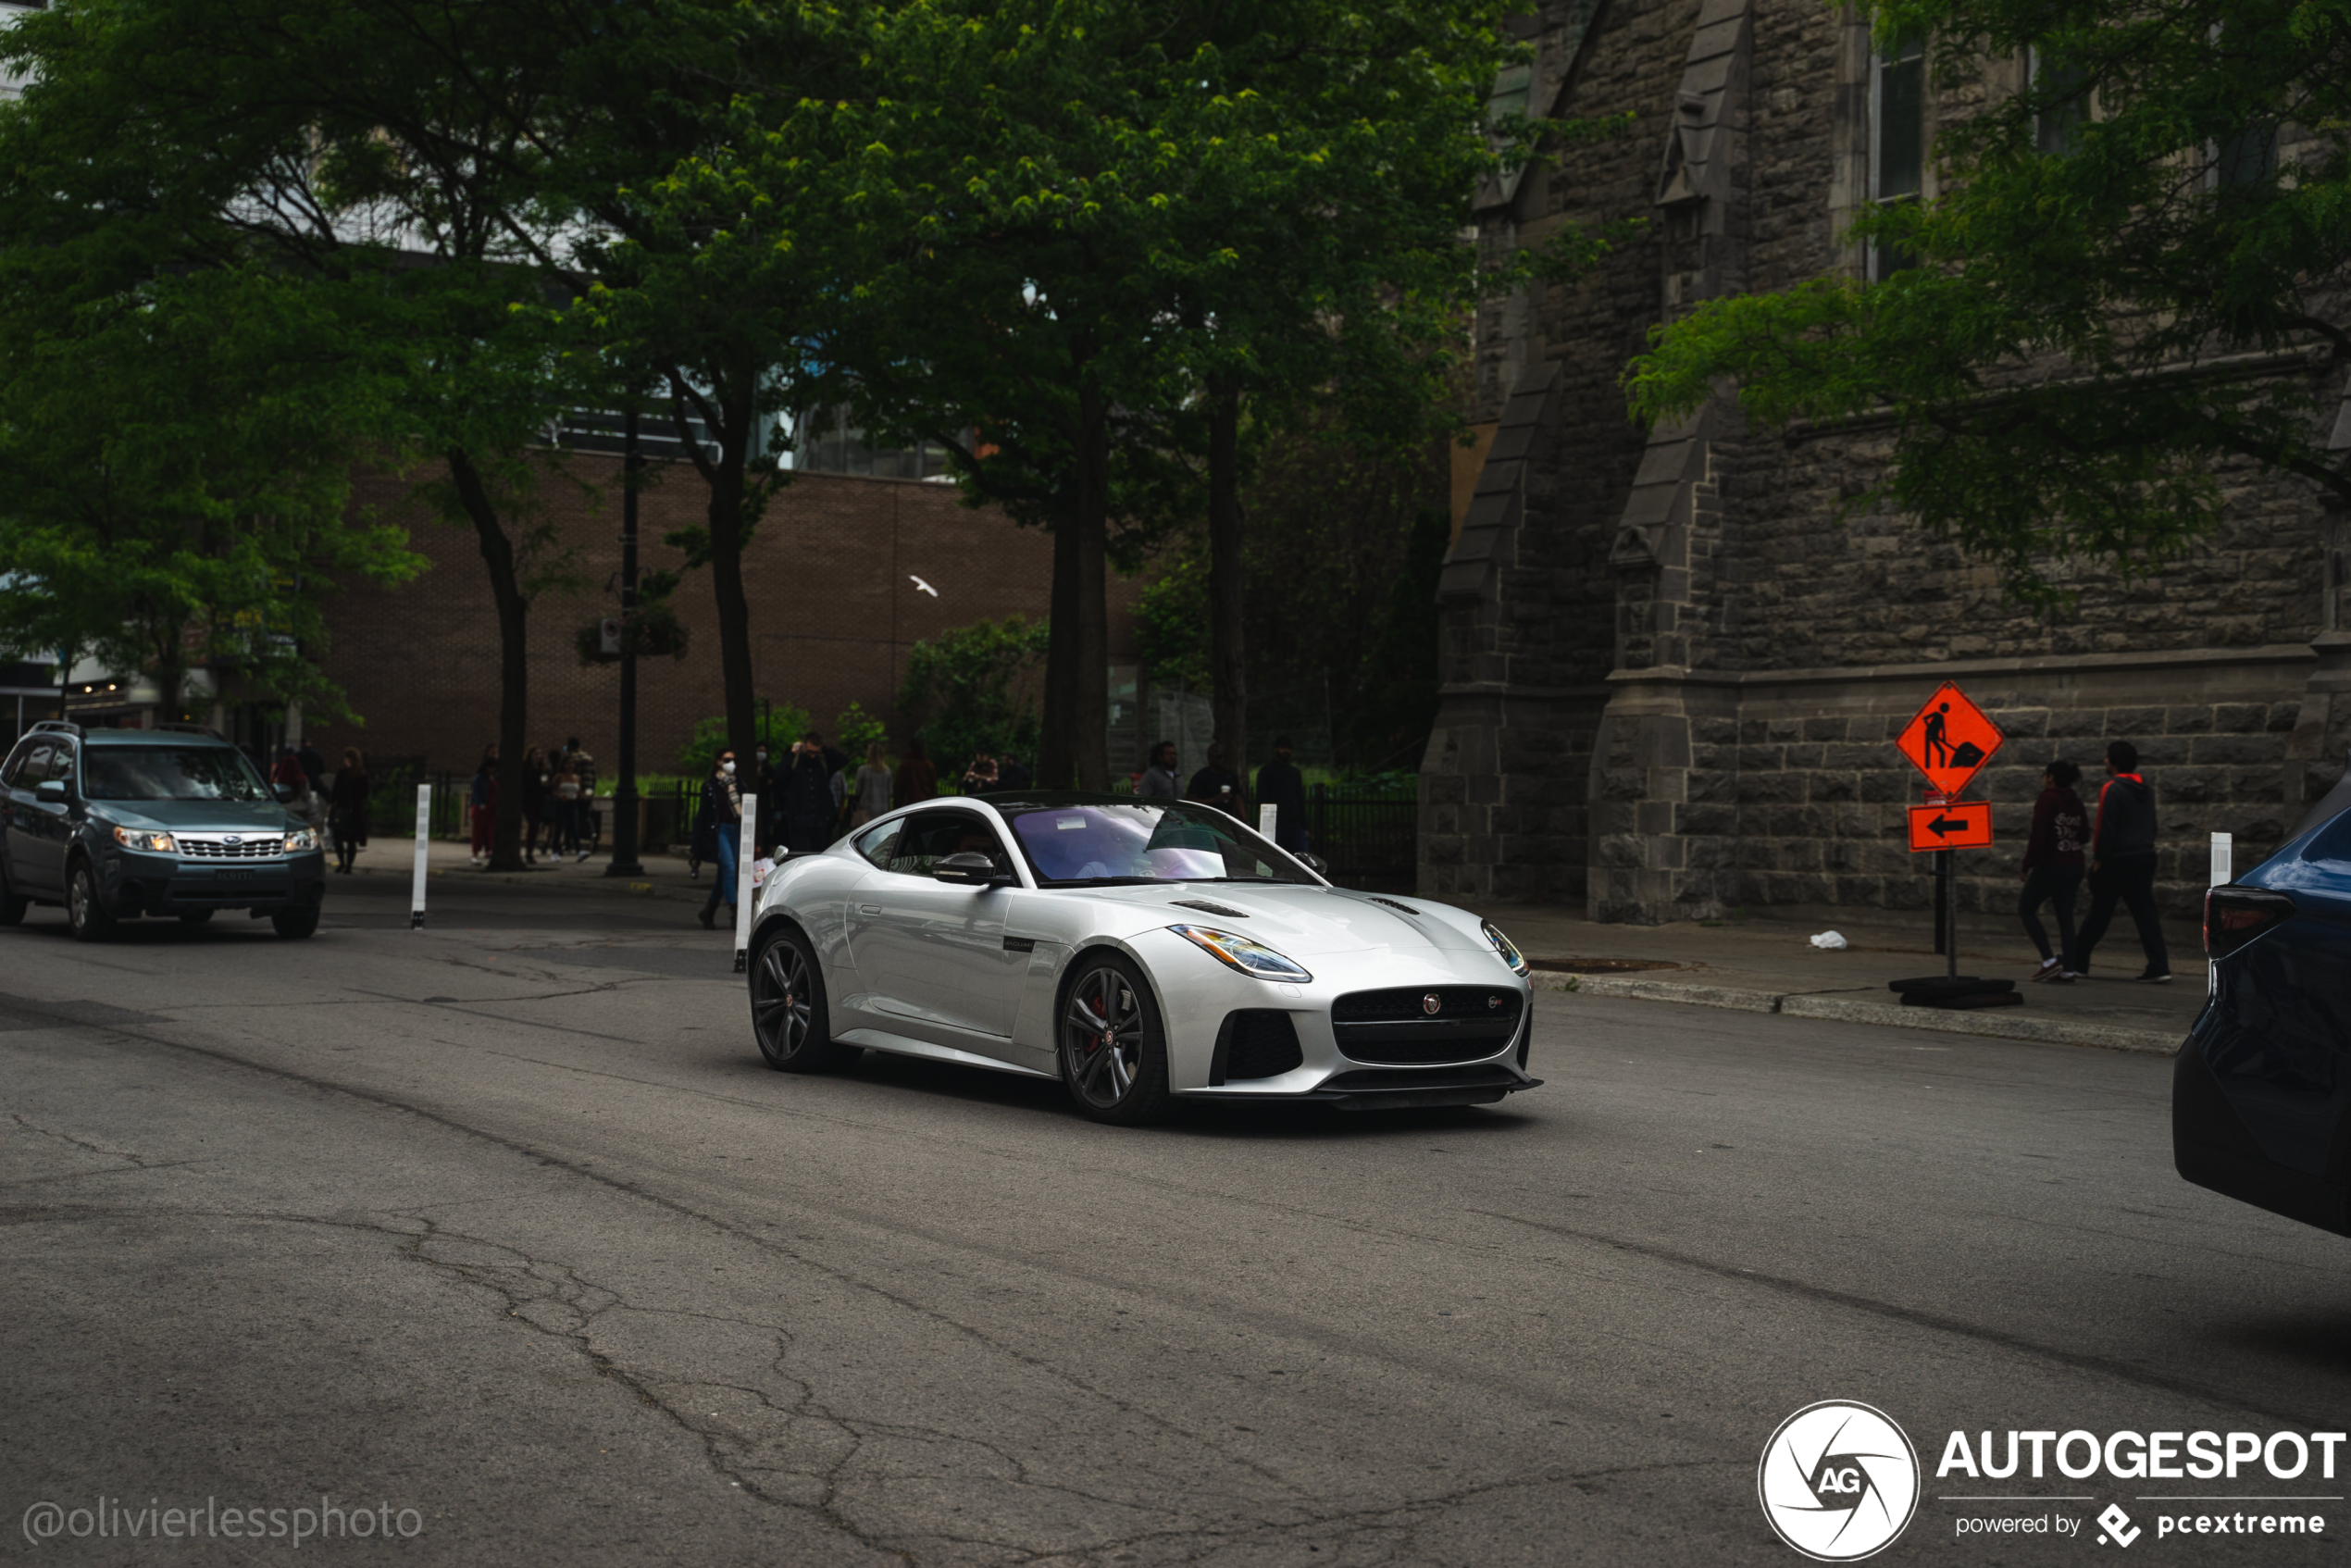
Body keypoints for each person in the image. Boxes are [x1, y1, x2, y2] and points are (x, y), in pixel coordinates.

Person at [2074, 739, 2171, 981]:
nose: (2105, 761)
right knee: (2146, 914)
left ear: (2113, 762)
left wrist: (2099, 859)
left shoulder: (2112, 788)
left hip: (2118, 859)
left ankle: (2078, 962)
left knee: (2099, 913)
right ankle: (2160, 966)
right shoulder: (2146, 789)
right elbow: (2153, 823)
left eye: (2107, 758)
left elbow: (2105, 827)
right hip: (2144, 855)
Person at [2019, 758, 2088, 982]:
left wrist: (2027, 865)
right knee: (2065, 917)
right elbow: (2085, 835)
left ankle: (2049, 960)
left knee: (2026, 908)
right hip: (2074, 864)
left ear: (2051, 777)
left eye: (2045, 774)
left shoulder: (2047, 800)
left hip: (2051, 864)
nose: (2042, 778)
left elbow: (2038, 836)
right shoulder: (2076, 802)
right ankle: (2068, 969)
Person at [697, 750, 742, 930]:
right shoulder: (710, 786)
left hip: (737, 830)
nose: (731, 763)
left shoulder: (739, 783)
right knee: (730, 870)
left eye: (733, 759)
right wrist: (697, 846)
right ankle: (735, 912)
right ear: (718, 762)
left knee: (724, 874)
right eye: (727, 759)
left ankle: (708, 910)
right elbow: (702, 816)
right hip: (720, 830)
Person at [1253, 736, 1310, 853]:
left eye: (1288, 748)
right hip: (1275, 823)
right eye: (1282, 748)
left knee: (1301, 858)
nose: (1285, 751)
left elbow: (1299, 799)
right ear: (1275, 749)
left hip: (1294, 823)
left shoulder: (1295, 773)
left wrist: (1305, 827)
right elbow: (1262, 800)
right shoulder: (1266, 772)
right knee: (1277, 858)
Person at [781, 732, 836, 852]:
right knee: (802, 854)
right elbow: (780, 775)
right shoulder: (796, 762)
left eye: (815, 753)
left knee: (818, 855)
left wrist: (823, 749)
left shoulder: (822, 763)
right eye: (809, 752)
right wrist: (793, 752)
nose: (812, 756)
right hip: (799, 820)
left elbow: (842, 759)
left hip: (819, 820)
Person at [328, 747, 370, 875]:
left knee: (338, 838)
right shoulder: (362, 774)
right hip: (355, 810)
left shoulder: (342, 773)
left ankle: (342, 862)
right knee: (352, 840)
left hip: (342, 808)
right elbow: (365, 793)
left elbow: (335, 791)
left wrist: (331, 804)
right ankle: (349, 866)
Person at [1187, 740, 1244, 817]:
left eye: (1224, 757)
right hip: (1207, 818)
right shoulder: (1200, 777)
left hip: (1226, 818)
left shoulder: (1230, 776)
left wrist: (1245, 820)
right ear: (1210, 757)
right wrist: (1214, 800)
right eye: (1219, 757)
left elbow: (1238, 799)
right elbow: (1191, 801)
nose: (1222, 759)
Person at [468, 745, 498, 867]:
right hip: (482, 809)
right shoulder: (479, 778)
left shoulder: (494, 777)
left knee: (490, 832)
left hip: (492, 809)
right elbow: (476, 792)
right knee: (478, 832)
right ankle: (475, 854)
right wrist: (480, 804)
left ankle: (489, 851)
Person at [852, 741, 892, 827]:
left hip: (866, 810)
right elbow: (890, 792)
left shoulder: (863, 770)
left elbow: (857, 790)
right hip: (883, 810)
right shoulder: (887, 771)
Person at [550, 753, 582, 858]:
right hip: (562, 803)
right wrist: (560, 795)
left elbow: (579, 792)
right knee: (560, 827)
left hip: (573, 803)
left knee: (575, 827)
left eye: (572, 763)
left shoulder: (577, 777)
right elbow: (553, 791)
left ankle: (579, 850)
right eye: (567, 763)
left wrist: (584, 795)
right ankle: (555, 850)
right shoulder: (559, 776)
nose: (570, 765)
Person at [519, 746, 547, 865]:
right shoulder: (525, 768)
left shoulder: (543, 769)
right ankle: (528, 853)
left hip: (538, 799)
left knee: (535, 827)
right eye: (536, 753)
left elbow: (546, 785)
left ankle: (529, 852)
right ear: (530, 755)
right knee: (532, 824)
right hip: (527, 799)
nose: (538, 756)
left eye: (540, 753)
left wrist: (546, 784)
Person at [894, 739, 938, 807]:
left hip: (910, 807)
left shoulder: (906, 765)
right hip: (926, 805)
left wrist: (897, 806)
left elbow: (899, 789)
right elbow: (933, 789)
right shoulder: (928, 765)